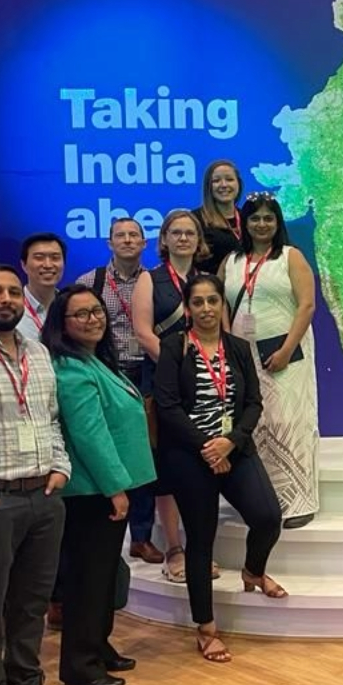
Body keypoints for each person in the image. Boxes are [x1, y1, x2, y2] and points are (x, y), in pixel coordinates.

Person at [155, 274, 285, 663]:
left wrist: (232, 441)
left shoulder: (239, 348)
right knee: (201, 541)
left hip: (236, 447)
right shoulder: (174, 347)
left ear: (222, 306)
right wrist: (207, 447)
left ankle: (253, 572)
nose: (207, 309)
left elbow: (255, 403)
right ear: (188, 307)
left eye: (214, 301)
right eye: (199, 302)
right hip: (190, 455)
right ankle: (206, 628)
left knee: (267, 516)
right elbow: (167, 406)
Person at [0, 264, 81, 685]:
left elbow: (49, 418)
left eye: (13, 291)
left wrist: (59, 468)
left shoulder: (38, 354)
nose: (6, 298)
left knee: (31, 605)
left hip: (43, 497)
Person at [41, 285, 156, 685]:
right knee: (88, 579)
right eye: (81, 315)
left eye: (96, 311)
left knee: (104, 575)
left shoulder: (95, 360)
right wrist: (115, 488)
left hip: (110, 486)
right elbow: (91, 436)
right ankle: (79, 664)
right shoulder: (71, 370)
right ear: (62, 323)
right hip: (94, 492)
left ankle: (98, 646)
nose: (93, 319)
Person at [222, 193, 319, 528]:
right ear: (244, 223)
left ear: (277, 223)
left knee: (288, 422)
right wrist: (226, 345)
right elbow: (221, 303)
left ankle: (299, 502)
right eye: (254, 218)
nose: (261, 224)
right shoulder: (232, 261)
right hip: (244, 356)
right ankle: (260, 501)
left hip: (286, 355)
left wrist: (287, 350)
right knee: (254, 424)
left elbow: (306, 306)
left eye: (268, 218)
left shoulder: (291, 257)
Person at [132, 209, 212, 583]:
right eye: (175, 232)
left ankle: (198, 551)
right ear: (164, 240)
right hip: (164, 384)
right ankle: (174, 549)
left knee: (199, 466)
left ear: (199, 240)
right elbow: (143, 332)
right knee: (168, 468)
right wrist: (176, 367)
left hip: (205, 386)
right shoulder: (151, 279)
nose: (183, 238)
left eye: (189, 232)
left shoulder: (207, 281)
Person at [76, 218, 161, 565]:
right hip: (106, 373)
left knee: (144, 454)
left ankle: (141, 536)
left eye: (133, 235)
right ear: (109, 243)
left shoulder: (155, 281)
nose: (127, 240)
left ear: (144, 242)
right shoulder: (90, 282)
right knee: (109, 451)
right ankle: (108, 527)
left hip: (147, 374)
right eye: (119, 236)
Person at [192, 159, 244, 274]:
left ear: (238, 184)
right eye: (216, 181)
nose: (224, 185)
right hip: (211, 287)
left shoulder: (248, 217)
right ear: (208, 187)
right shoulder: (195, 220)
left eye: (229, 179)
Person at [17, 232, 66, 341]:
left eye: (55, 258)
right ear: (23, 265)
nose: (48, 265)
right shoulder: (13, 308)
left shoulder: (69, 307)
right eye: (39, 258)